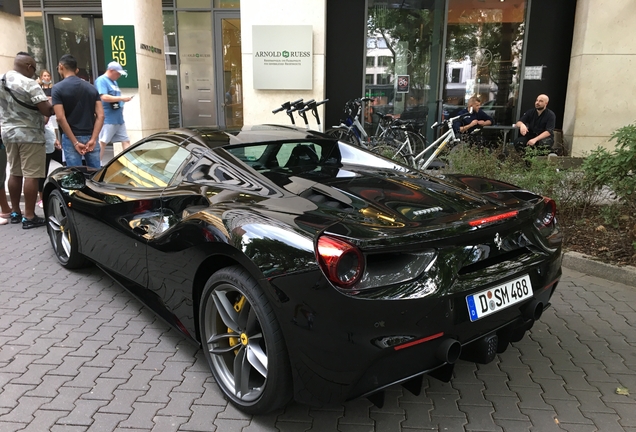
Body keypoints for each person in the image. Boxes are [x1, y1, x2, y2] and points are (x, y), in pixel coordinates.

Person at [0, 52, 54, 229]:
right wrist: (54, 106)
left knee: (15, 172)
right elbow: (46, 110)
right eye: (34, 69)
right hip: (30, 134)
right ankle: (29, 216)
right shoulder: (29, 83)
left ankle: (15, 212)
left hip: (8, 134)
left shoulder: (2, 79)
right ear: (29, 66)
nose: (35, 73)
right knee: (31, 174)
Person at [52, 54, 104, 169]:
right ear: (76, 70)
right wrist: (93, 139)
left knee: (75, 175)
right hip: (91, 136)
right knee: (95, 172)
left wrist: (75, 142)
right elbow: (101, 115)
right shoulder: (91, 88)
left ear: (61, 66)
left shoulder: (57, 88)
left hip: (71, 137)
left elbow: (60, 117)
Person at [95, 61, 132, 165]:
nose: (119, 76)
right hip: (108, 118)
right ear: (111, 71)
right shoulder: (101, 80)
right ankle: (97, 165)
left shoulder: (114, 82)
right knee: (103, 142)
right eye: (118, 73)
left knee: (126, 141)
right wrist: (121, 98)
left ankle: (130, 164)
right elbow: (103, 97)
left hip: (118, 118)